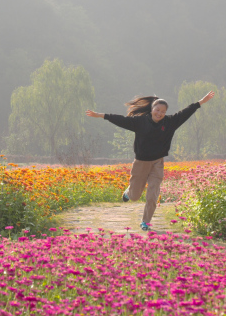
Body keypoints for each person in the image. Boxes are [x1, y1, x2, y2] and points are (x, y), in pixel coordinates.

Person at [86, 91, 215, 231]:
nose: (159, 113)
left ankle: (145, 222)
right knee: (135, 197)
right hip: (141, 163)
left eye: (163, 111)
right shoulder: (140, 122)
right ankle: (128, 192)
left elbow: (186, 112)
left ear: (166, 113)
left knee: (153, 194)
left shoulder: (170, 122)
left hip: (157, 163)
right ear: (152, 109)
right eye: (157, 110)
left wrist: (201, 101)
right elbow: (121, 119)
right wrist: (100, 115)